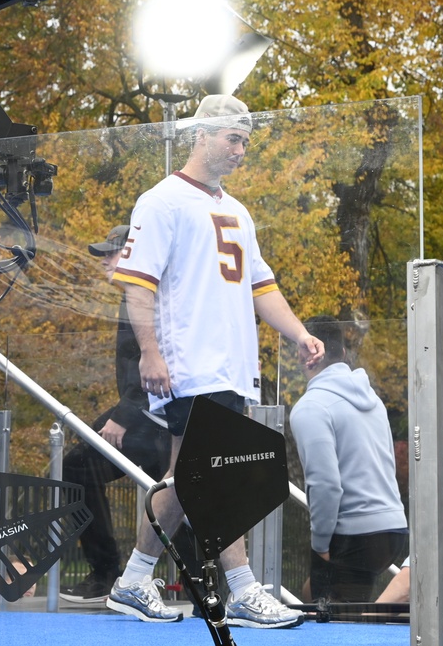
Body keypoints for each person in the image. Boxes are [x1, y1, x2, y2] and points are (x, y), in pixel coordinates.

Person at [106, 94, 324, 628]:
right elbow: (138, 285)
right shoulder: (162, 201)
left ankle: (133, 580)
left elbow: (260, 284)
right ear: (202, 135)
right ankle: (243, 589)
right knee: (217, 475)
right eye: (233, 138)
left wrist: (298, 333)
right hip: (189, 364)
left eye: (247, 140)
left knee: (187, 479)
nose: (242, 150)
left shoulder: (236, 210)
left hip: (230, 367)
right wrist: (151, 352)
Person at [58, 224, 172, 603]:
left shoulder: (145, 297)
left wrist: (124, 415)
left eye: (112, 252)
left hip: (154, 417)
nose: (105, 260)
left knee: (75, 467)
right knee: (171, 493)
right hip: (149, 413)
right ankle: (198, 577)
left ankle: (106, 572)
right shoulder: (134, 296)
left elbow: (159, 362)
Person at [288, 315, 407, 603]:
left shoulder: (311, 408)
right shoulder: (373, 400)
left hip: (354, 532)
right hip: (392, 529)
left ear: (306, 356)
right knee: (320, 596)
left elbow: (325, 484)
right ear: (342, 353)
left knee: (328, 617)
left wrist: (319, 547)